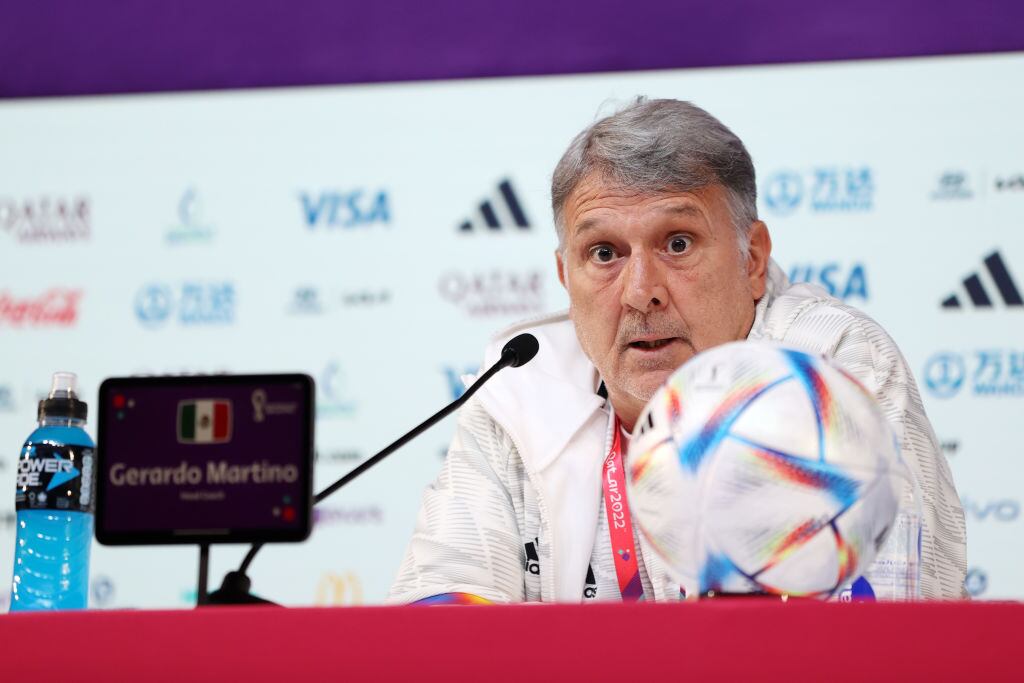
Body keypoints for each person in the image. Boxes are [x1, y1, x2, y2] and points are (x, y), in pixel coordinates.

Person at [388, 98, 967, 604]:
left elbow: (887, 627)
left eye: (678, 243)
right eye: (605, 253)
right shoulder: (516, 389)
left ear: (753, 259)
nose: (642, 292)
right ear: (565, 276)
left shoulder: (830, 373)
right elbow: (439, 612)